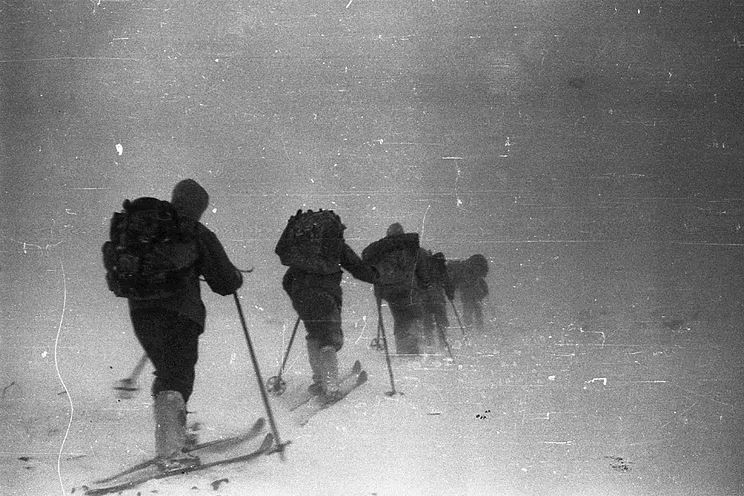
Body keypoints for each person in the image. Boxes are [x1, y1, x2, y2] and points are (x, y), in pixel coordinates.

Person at [113, 179, 244, 471]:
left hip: (141, 312)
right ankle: (172, 451)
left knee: (167, 371)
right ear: (199, 206)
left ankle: (172, 438)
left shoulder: (145, 226)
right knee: (178, 375)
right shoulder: (194, 231)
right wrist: (236, 278)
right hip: (181, 314)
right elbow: (224, 281)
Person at [276, 210, 377, 403]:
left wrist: (298, 295)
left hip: (301, 296)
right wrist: (376, 276)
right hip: (325, 295)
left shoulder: (301, 249)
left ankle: (320, 380)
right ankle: (330, 385)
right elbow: (357, 267)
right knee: (328, 337)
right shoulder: (334, 244)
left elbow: (287, 279)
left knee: (314, 334)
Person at [363, 223, 431, 355]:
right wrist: (424, 285)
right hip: (408, 290)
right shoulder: (413, 249)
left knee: (400, 320)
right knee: (413, 317)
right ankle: (413, 351)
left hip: (389, 292)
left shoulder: (381, 249)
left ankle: (404, 351)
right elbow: (423, 272)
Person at [419, 251, 455, 353]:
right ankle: (443, 345)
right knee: (441, 322)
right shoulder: (441, 268)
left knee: (427, 323)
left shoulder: (422, 267)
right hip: (438, 299)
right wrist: (450, 294)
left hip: (424, 299)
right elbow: (448, 283)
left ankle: (429, 345)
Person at [447, 254, 489, 332]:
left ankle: (470, 329)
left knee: (470, 310)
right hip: (471, 291)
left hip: (468, 291)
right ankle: (477, 329)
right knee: (474, 309)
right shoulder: (470, 270)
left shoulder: (465, 270)